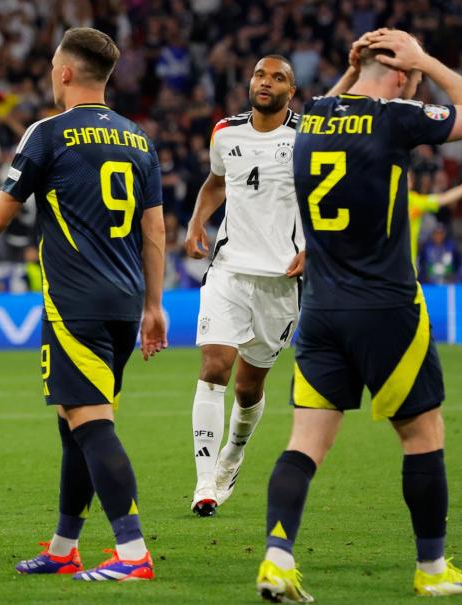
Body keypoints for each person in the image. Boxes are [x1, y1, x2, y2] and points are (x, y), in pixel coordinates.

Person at [256, 29, 462, 602]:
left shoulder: (310, 118)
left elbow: (333, 106)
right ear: (400, 76)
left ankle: (276, 560)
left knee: (304, 443)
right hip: (387, 307)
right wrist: (427, 60)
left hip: (319, 308)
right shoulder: (397, 117)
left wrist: (356, 72)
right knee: (422, 435)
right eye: (410, 75)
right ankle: (433, 568)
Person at [0, 27, 168, 583]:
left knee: (90, 422)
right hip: (126, 296)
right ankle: (65, 546)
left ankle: (133, 553)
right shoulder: (139, 137)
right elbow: (154, 229)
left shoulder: (50, 132)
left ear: (65, 72)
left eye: (52, 67)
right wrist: (154, 304)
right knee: (73, 421)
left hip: (75, 300)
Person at [184, 55, 304, 517]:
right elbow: (217, 182)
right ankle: (204, 482)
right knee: (214, 366)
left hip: (280, 279)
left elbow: (326, 196)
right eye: (260, 74)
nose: (266, 82)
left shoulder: (305, 138)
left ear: (290, 92)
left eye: (278, 78)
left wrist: (312, 246)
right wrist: (197, 221)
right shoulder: (225, 132)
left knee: (248, 388)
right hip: (229, 269)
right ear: (250, 81)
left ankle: (232, 453)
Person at [407, 164, 462, 267]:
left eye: (409, 180)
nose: (408, 183)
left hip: (407, 267)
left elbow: (444, 198)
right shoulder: (383, 203)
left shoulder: (416, 201)